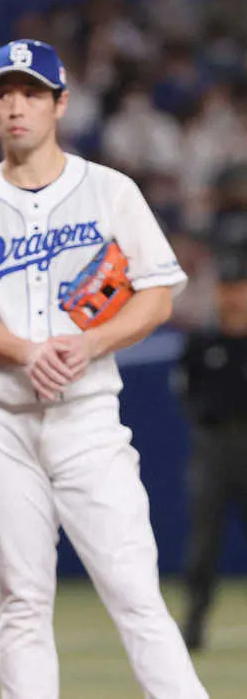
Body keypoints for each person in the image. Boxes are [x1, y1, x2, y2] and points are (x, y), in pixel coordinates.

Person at [0, 39, 208, 698]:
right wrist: (25, 351)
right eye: (3, 93)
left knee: (135, 593)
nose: (16, 105)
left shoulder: (109, 190)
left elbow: (158, 292)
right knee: (21, 602)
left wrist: (90, 343)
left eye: (31, 93)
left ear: (60, 104)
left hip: (86, 419)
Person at [178, 228, 247, 651]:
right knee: (203, 543)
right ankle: (194, 626)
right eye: (227, 288)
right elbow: (186, 391)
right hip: (215, 445)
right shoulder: (203, 342)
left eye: (239, 287)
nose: (233, 297)